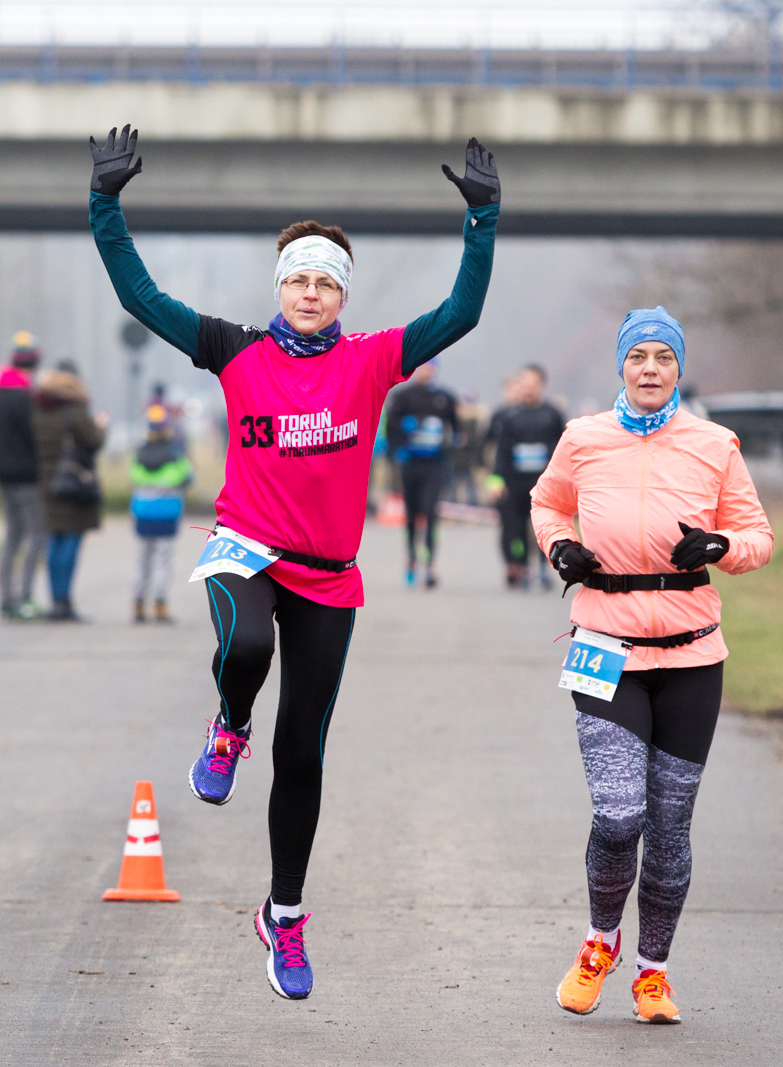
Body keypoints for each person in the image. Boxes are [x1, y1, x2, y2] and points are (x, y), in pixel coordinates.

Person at [88, 124, 499, 1000]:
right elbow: (141, 298)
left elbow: (460, 316)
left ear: (340, 295)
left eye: (325, 282)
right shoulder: (235, 350)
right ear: (279, 287)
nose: (310, 292)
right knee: (244, 651)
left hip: (329, 573)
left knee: (303, 755)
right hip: (246, 547)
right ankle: (226, 724)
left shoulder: (372, 360)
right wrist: (105, 206)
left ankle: (283, 915)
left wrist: (483, 222)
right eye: (298, 279)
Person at [530, 307, 772, 1024]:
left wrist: (722, 546)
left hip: (693, 651)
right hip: (604, 642)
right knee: (618, 812)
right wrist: (559, 547)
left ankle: (654, 973)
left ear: (677, 369)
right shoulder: (582, 438)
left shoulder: (713, 442)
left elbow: (758, 535)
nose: (649, 369)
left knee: (668, 826)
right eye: (638, 356)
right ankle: (600, 941)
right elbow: (546, 503)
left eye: (663, 357)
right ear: (620, 366)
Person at [32, 359, 108, 622]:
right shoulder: (75, 409)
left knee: (54, 540)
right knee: (71, 541)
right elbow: (93, 442)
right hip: (73, 484)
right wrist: (100, 425)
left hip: (46, 483)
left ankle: (56, 600)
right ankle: (64, 601)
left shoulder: (38, 405)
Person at [485, 363, 566, 590]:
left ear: (542, 385)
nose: (529, 388)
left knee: (542, 528)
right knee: (516, 528)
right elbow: (501, 451)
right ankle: (521, 566)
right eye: (525, 384)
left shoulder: (552, 415)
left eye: (534, 384)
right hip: (515, 482)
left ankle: (542, 567)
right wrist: (496, 480)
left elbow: (564, 448)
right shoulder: (510, 415)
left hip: (543, 482)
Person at [0, 332, 46, 619]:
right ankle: (24, 597)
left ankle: (5, 597)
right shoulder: (26, 398)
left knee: (12, 536)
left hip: (3, 475)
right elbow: (34, 437)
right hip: (28, 477)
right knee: (36, 534)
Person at [385, 359, 460, 588]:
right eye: (422, 366)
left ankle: (429, 564)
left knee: (430, 512)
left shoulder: (445, 397)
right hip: (410, 464)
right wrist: (398, 448)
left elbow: (456, 428)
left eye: (431, 366)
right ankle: (411, 561)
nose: (426, 370)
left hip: (434, 465)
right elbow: (391, 427)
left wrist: (452, 443)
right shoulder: (402, 396)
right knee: (411, 515)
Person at [130, 405, 194, 623]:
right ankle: (159, 603)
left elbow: (134, 476)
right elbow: (188, 477)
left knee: (142, 559)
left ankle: (138, 602)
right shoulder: (175, 453)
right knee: (163, 560)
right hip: (167, 512)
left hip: (143, 513)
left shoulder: (140, 452)